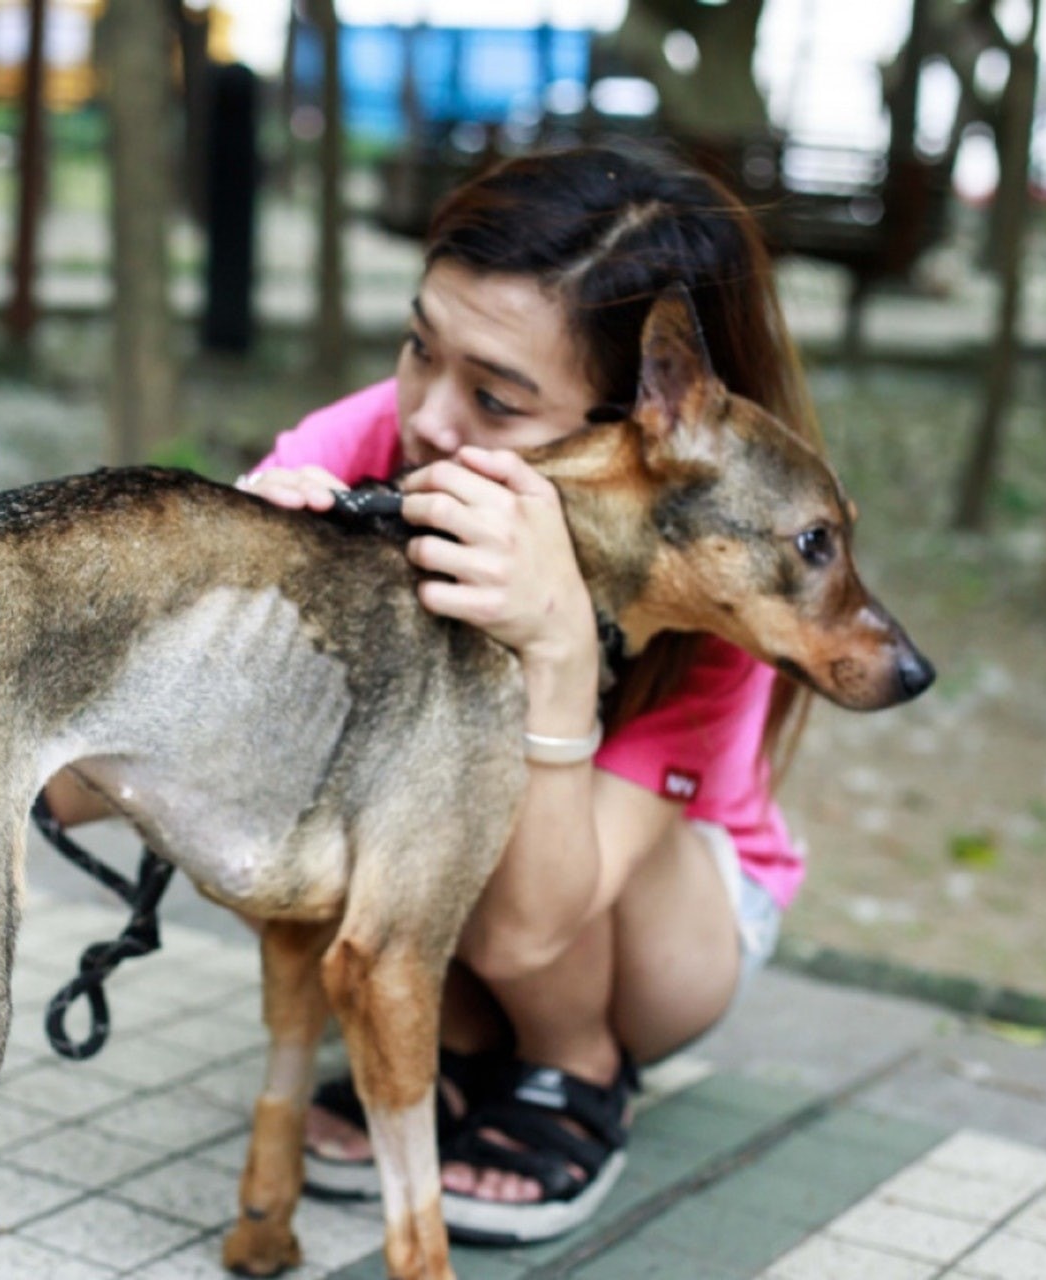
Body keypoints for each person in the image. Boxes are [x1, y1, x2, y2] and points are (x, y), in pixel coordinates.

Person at [231, 144, 823, 1246]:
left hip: (650, 940)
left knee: (504, 765)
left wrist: (558, 649)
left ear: (650, 425)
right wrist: (248, 570)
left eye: (496, 398)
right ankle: (455, 1048)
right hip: (458, 891)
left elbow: (528, 931)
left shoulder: (715, 572)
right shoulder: (379, 434)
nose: (429, 418)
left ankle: (571, 1067)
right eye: (419, 345)